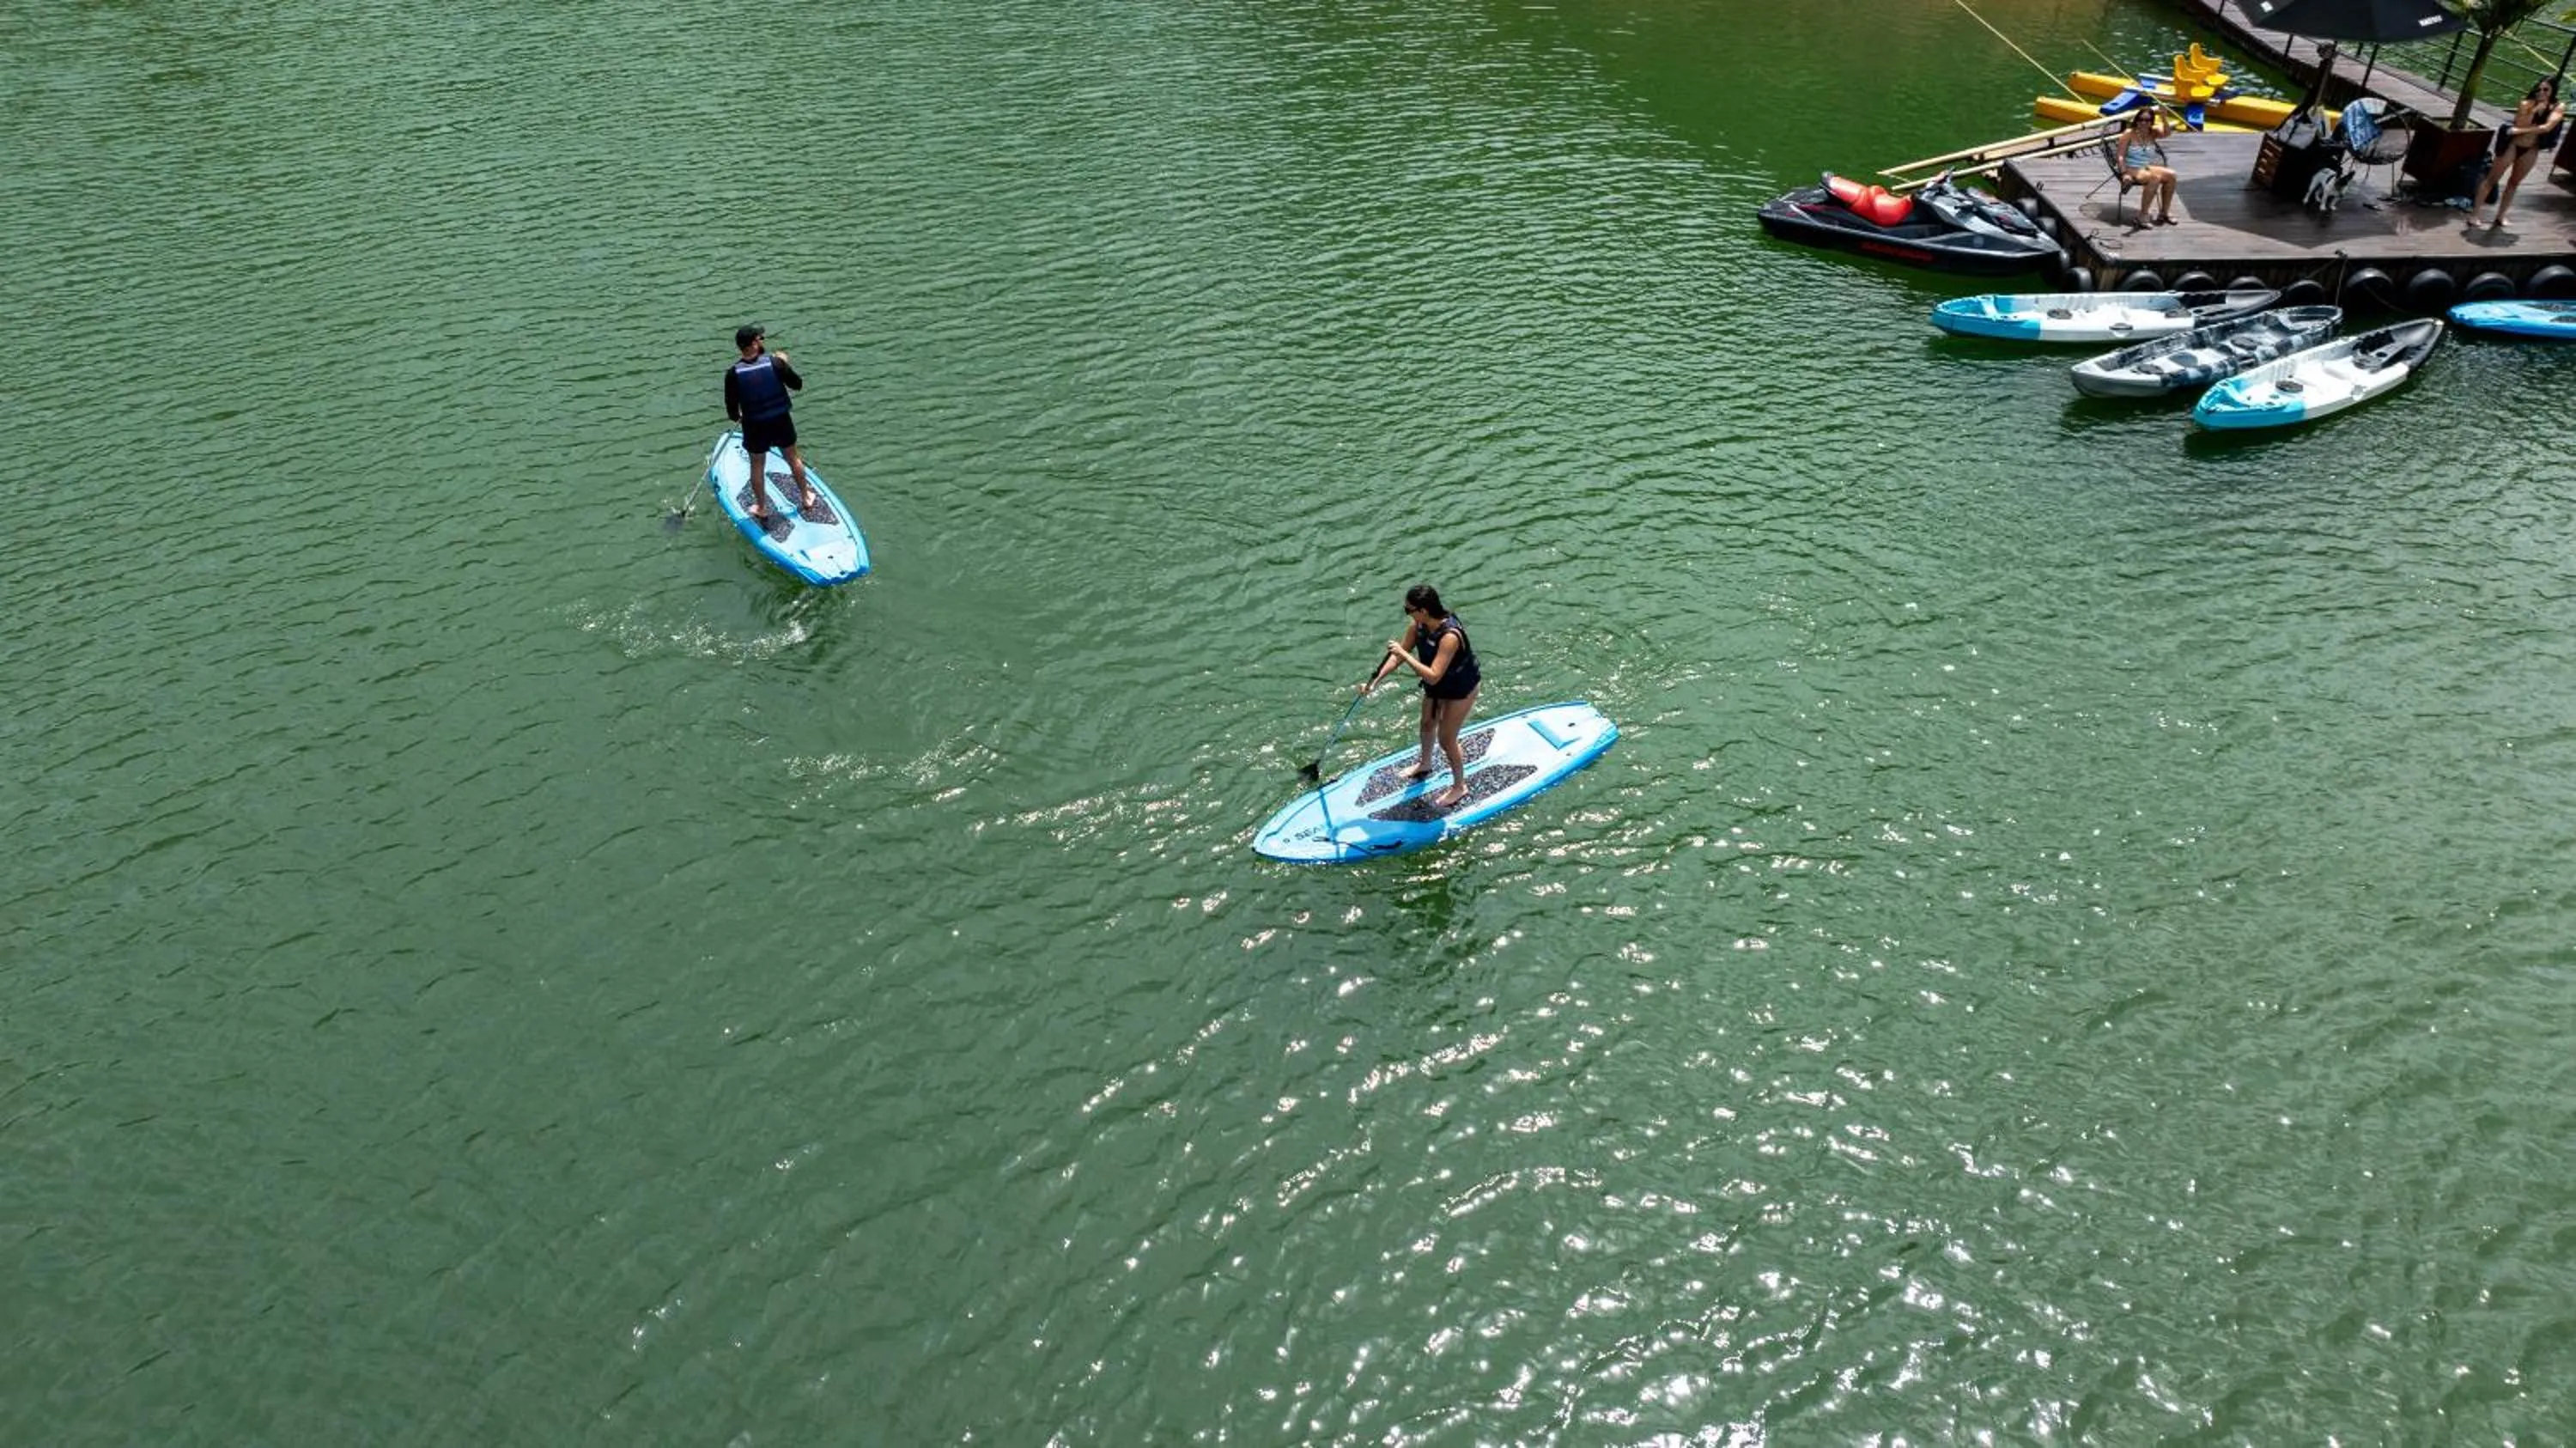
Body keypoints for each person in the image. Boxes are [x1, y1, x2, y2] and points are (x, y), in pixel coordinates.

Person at [1363, 584, 1483, 809]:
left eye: (1409, 610)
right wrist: (1375, 681)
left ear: (1424, 610)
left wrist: (1405, 654)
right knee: (1427, 724)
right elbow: (1396, 657)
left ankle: (1459, 787)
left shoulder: (1450, 636)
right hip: (1438, 687)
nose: (1408, 614)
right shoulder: (1417, 626)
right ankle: (1425, 764)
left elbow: (1433, 675)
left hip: (1461, 689)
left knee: (1447, 739)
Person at [724, 324, 815, 523]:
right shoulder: (775, 363)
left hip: (755, 425)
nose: (763, 341)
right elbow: (797, 384)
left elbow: (732, 410)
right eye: (761, 338)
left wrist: (740, 416)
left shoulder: (733, 374)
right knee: (793, 457)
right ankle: (806, 497)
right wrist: (783, 363)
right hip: (780, 420)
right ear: (755, 343)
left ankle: (762, 508)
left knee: (757, 465)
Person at [2470, 76, 2565, 230]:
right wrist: (2534, 111)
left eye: (2545, 90)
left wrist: (2519, 131)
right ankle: (2475, 214)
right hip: (2513, 145)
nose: (2541, 92)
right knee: (2492, 179)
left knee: (2514, 183)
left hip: (2531, 148)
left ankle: (2500, 216)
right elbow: (2521, 122)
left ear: (2553, 91)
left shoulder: (2558, 107)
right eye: (2539, 89)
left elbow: (2547, 128)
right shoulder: (2526, 104)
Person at [2119, 106, 2178, 226]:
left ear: (2151, 122)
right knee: (2154, 178)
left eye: (2147, 120)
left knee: (2172, 175)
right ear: (2136, 120)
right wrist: (2124, 173)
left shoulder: (2153, 133)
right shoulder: (2129, 134)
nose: (2143, 123)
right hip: (2132, 167)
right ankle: (2143, 214)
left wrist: (2163, 117)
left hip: (2146, 166)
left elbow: (2167, 133)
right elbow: (2120, 155)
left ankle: (2164, 212)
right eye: (2141, 119)